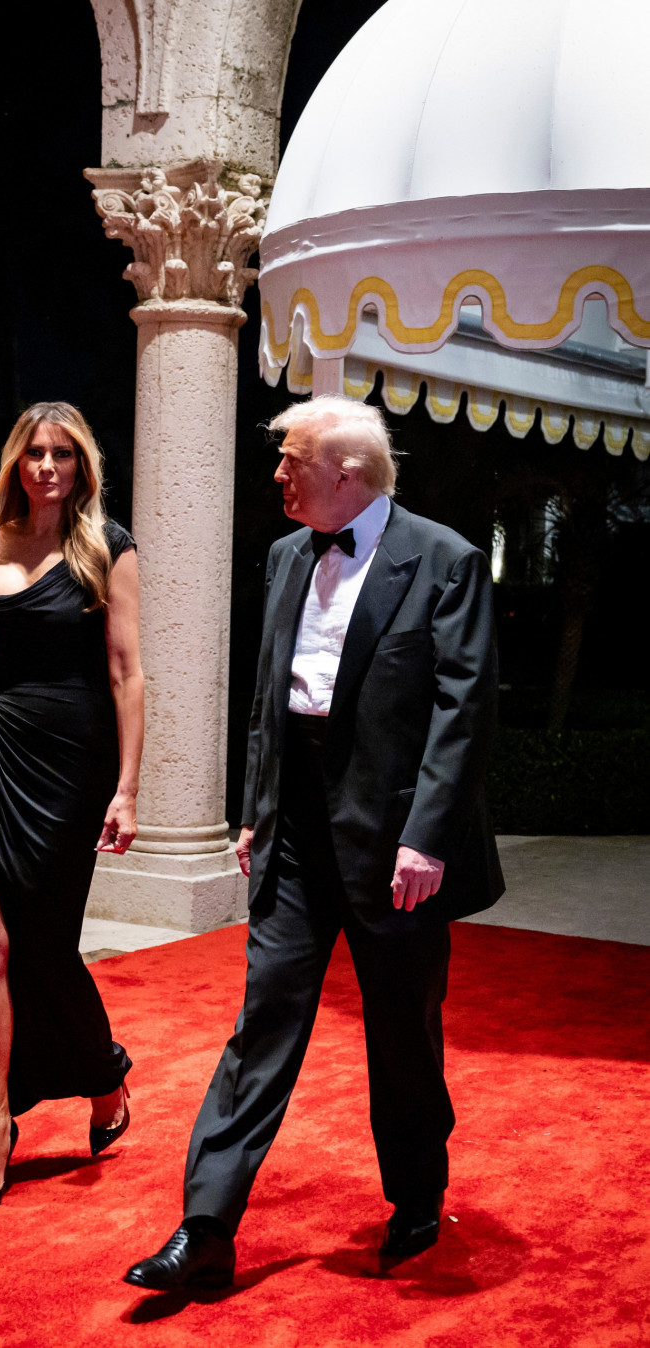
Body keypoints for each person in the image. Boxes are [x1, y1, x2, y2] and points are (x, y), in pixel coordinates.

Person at [124, 395, 503, 1290]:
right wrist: (257, 805)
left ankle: (415, 1193)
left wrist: (427, 838)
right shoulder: (287, 554)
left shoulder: (444, 559)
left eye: (293, 460)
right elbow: (269, 696)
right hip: (295, 832)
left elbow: (464, 712)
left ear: (347, 474)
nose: (279, 474)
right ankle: (206, 1228)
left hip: (395, 842)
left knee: (402, 1031)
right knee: (262, 1026)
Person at [0, 401, 143, 1213]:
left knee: (45, 948)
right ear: (17, 462)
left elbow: (128, 674)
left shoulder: (106, 550)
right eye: (34, 453)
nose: (47, 466)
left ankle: (102, 1071)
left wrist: (126, 787)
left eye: (63, 454)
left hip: (72, 762)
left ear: (83, 465)